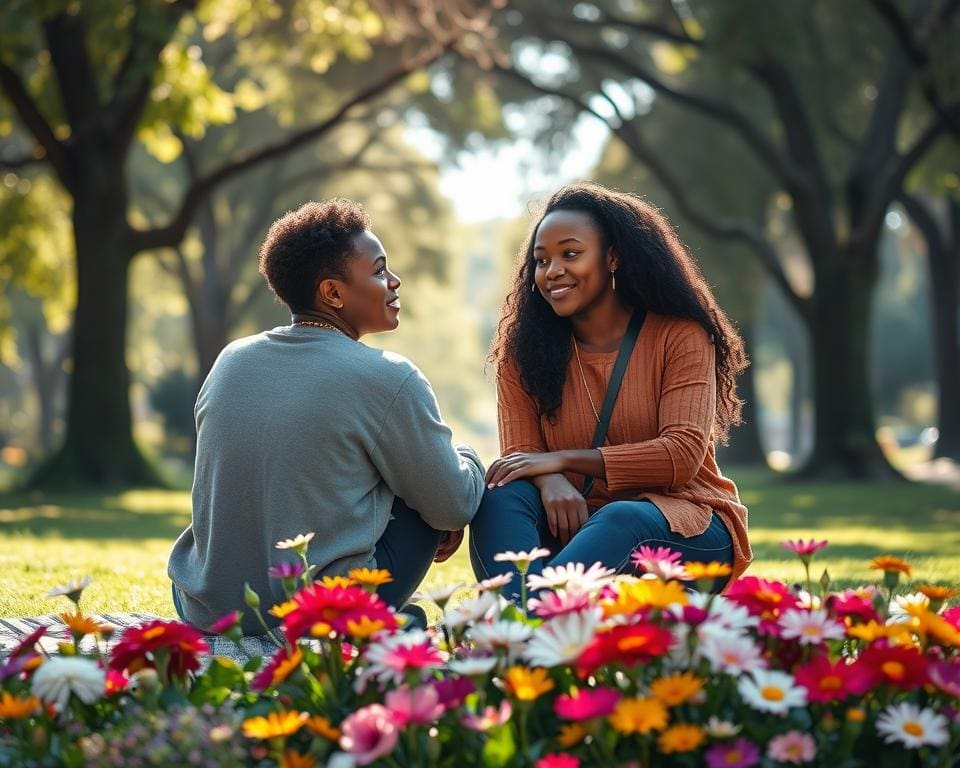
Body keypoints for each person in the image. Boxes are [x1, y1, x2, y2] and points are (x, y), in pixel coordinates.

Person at [168, 199, 485, 635]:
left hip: (208, 604)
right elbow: (454, 505)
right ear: (333, 293)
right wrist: (466, 458)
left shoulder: (231, 358)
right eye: (378, 271)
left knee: (410, 478)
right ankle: (383, 621)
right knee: (432, 488)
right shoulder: (388, 376)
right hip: (322, 613)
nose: (394, 282)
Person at [469, 182, 752, 602]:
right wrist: (549, 480)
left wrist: (561, 460)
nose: (552, 271)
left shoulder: (680, 335)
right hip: (573, 521)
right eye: (541, 261)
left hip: (687, 523)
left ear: (613, 257)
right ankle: (527, 619)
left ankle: (524, 624)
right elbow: (520, 457)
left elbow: (681, 455)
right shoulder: (522, 352)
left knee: (622, 519)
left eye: (570, 253)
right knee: (500, 494)